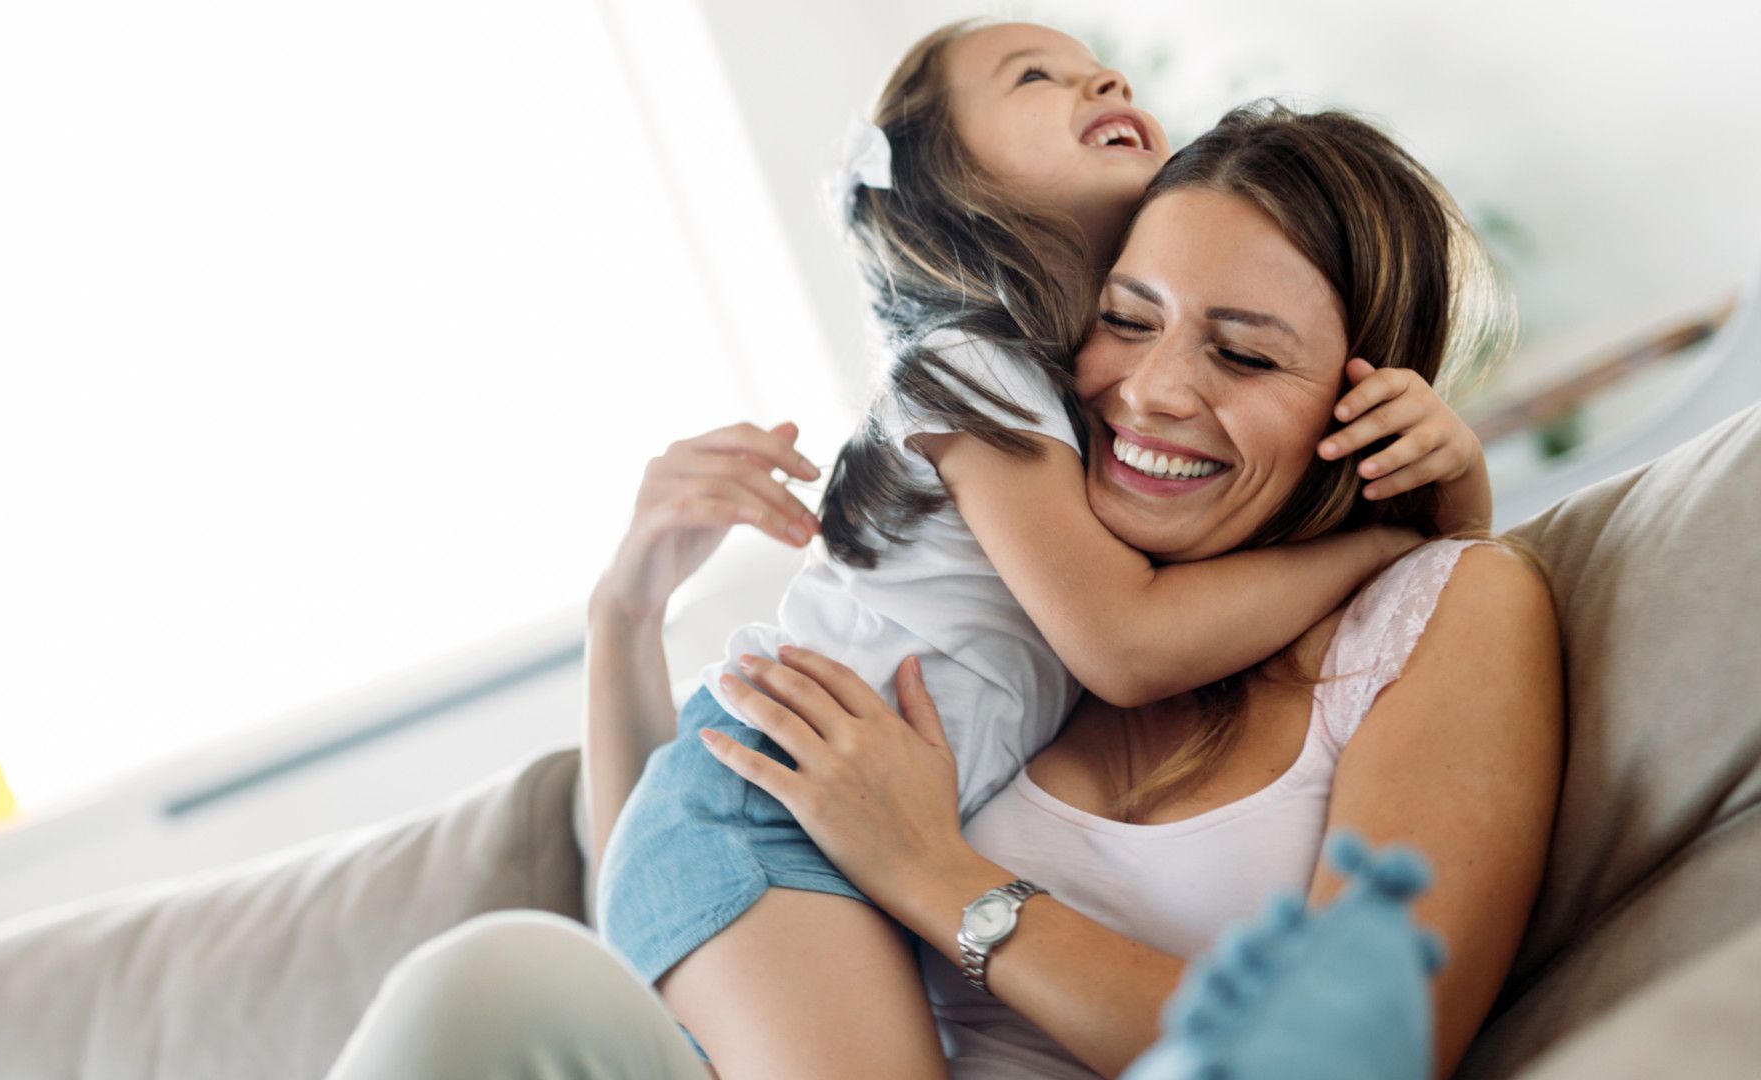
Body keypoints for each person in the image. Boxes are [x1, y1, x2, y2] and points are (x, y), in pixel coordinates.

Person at [326, 100, 1561, 1080]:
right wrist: (625, 611)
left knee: (495, 988)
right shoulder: (1030, 593)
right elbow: (678, 891)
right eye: (1125, 319)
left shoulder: (1448, 605)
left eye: (1241, 353)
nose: (1151, 391)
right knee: (495, 985)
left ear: (1374, 400)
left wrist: (938, 875)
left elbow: (1354, 1055)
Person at [590, 20, 1495, 1076]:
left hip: (780, 825)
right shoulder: (969, 370)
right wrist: (1383, 536)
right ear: (949, 189)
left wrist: (1441, 502)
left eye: (1241, 349)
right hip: (762, 818)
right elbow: (1125, 643)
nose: (1104, 76)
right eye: (1035, 77)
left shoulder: (1044, 407)